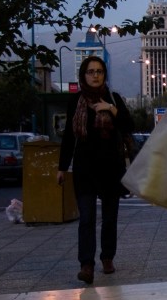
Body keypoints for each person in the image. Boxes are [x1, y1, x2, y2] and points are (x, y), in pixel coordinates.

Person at [57, 56, 134, 284]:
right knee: (87, 218)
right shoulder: (76, 102)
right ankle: (86, 265)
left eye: (99, 71)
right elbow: (69, 137)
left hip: (111, 168)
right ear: (83, 75)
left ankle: (107, 257)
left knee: (110, 219)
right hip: (85, 169)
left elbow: (129, 126)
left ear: (104, 74)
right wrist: (62, 167)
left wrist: (110, 109)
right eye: (90, 71)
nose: (95, 75)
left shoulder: (114, 98)